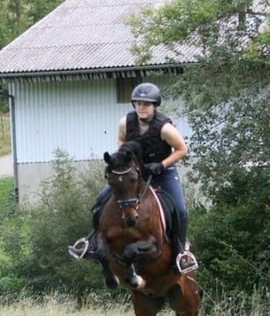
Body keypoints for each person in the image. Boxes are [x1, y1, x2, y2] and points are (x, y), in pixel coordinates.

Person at [68, 82, 198, 275]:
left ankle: (180, 253)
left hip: (162, 172)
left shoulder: (165, 128)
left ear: (155, 105)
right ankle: (92, 242)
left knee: (179, 209)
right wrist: (124, 157)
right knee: (100, 200)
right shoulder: (125, 122)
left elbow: (182, 150)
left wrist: (161, 165)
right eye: (138, 103)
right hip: (135, 172)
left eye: (146, 104)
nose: (141, 107)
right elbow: (121, 140)